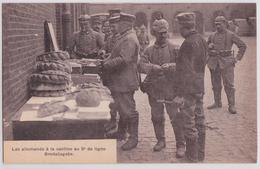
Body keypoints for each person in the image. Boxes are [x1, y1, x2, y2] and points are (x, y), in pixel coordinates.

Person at [138, 19, 185, 157]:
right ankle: (160, 140)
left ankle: (181, 144)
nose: (163, 35)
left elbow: (184, 67)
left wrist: (171, 66)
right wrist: (152, 67)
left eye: (165, 33)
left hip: (171, 89)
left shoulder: (175, 48)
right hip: (155, 89)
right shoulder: (149, 50)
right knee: (156, 116)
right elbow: (140, 65)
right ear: (154, 34)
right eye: (160, 33)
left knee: (175, 117)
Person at [102, 13, 140, 150]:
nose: (117, 25)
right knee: (121, 107)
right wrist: (107, 58)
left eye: (120, 23)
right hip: (120, 80)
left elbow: (124, 59)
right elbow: (116, 54)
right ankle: (121, 133)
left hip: (125, 80)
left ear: (127, 24)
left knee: (129, 110)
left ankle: (134, 138)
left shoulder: (129, 38)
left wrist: (106, 64)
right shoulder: (124, 37)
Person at [175, 12, 208, 162]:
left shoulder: (187, 43)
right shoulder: (201, 39)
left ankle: (192, 157)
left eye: (180, 27)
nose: (179, 30)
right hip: (199, 86)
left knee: (188, 122)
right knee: (200, 119)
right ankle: (200, 154)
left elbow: (185, 71)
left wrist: (180, 93)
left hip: (188, 89)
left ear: (184, 27)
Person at [207, 16, 247, 114]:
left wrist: (237, 58)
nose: (217, 26)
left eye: (219, 24)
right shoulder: (212, 35)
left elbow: (242, 45)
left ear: (225, 24)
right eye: (216, 24)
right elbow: (206, 47)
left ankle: (231, 105)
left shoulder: (231, 35)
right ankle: (217, 102)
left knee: (229, 84)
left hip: (227, 62)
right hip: (214, 62)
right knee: (215, 84)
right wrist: (209, 47)